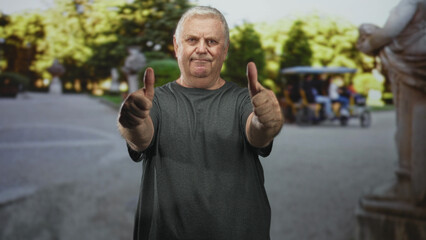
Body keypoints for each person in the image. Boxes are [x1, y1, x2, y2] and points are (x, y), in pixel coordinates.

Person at [117, 6, 284, 240]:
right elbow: (141, 138)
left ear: (225, 50)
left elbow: (256, 131)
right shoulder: (157, 102)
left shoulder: (243, 100)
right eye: (192, 39)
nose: (202, 49)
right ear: (177, 46)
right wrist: (131, 121)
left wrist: (265, 121)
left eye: (212, 41)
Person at [357, 0, 426, 206]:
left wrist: (368, 44)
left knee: (406, 121)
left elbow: (391, 31)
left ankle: (406, 180)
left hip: (409, 61)